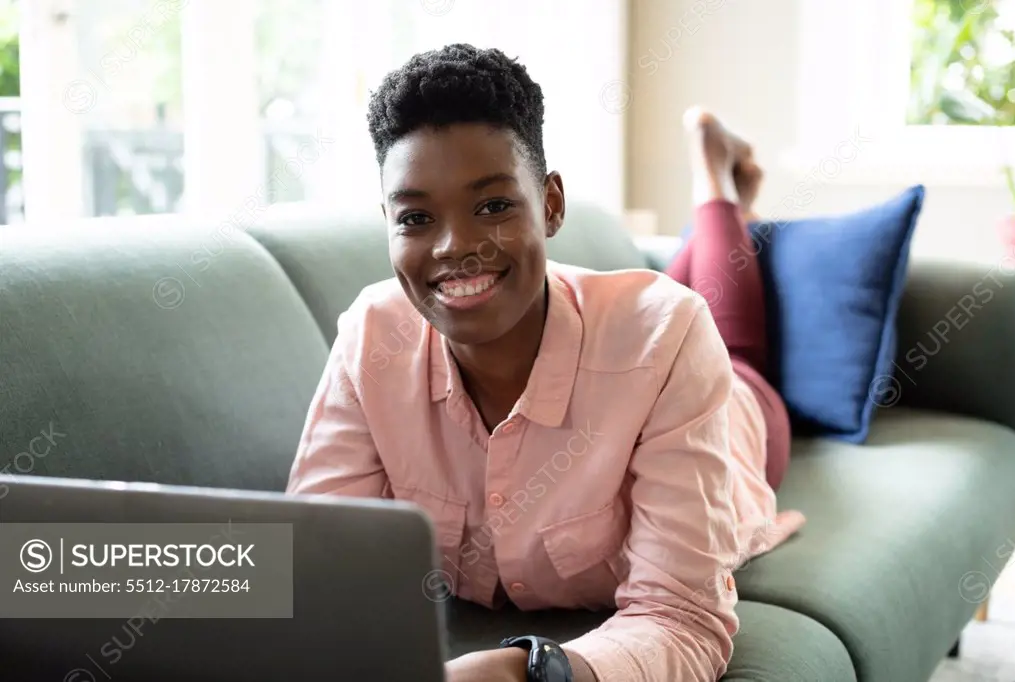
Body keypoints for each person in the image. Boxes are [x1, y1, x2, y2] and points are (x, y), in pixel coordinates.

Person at [286, 43, 805, 682]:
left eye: (493, 206)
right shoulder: (371, 339)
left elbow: (683, 617)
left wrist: (525, 672)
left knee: (737, 343)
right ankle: (721, 201)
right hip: (634, 331)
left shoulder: (669, 333)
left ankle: (719, 181)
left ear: (551, 204)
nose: (455, 248)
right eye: (417, 217)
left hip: (739, 412)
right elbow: (320, 568)